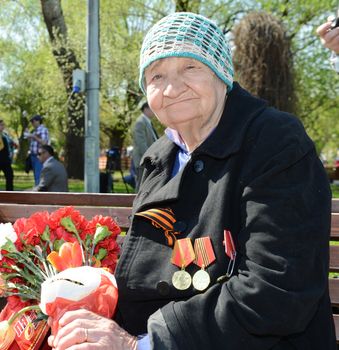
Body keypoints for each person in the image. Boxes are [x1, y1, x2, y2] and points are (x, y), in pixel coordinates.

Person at [49, 12, 336, 350]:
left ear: (221, 72)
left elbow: (275, 291)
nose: (171, 89)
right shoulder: (159, 157)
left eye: (190, 67)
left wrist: (137, 345)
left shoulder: (275, 142)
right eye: (156, 75)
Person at [132, 102, 158, 190]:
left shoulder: (147, 122)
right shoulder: (140, 122)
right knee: (140, 187)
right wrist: (149, 158)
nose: (155, 111)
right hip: (143, 161)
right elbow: (141, 144)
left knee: (147, 186)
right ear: (146, 109)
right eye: (152, 108)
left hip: (148, 161)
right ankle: (136, 204)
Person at [25, 114, 50, 186]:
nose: (32, 123)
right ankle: (38, 190)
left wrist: (33, 136)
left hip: (40, 156)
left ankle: (39, 194)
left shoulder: (43, 130)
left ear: (38, 121)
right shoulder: (35, 131)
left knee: (39, 176)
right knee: (36, 176)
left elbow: (44, 143)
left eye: (33, 121)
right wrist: (29, 136)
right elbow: (33, 143)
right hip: (33, 156)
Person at [0, 120, 13, 191]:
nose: (3, 126)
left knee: (10, 176)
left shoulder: (5, 135)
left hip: (6, 160)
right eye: (1, 125)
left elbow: (9, 145)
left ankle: (10, 194)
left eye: (3, 125)